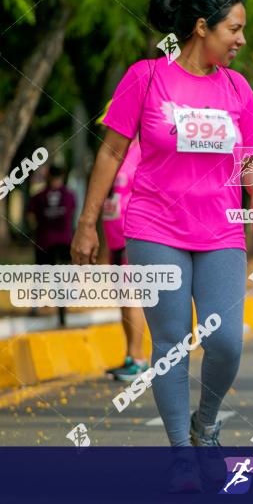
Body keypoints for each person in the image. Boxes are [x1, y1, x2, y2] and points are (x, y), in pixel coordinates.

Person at [70, 0, 253, 486]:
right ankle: (182, 454)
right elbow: (110, 153)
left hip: (222, 229)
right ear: (201, 28)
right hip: (153, 227)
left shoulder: (237, 88)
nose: (242, 41)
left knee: (227, 341)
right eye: (235, 29)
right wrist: (87, 222)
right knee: (170, 342)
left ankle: (205, 423)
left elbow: (251, 155)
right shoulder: (146, 78)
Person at [99, 123, 150, 382]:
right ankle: (130, 356)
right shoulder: (114, 152)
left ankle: (139, 358)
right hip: (114, 238)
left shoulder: (141, 150)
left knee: (132, 297)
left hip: (133, 235)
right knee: (122, 298)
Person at [27, 166, 76, 326]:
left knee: (41, 275)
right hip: (63, 241)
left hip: (45, 241)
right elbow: (73, 213)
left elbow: (30, 217)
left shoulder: (39, 196)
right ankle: (62, 306)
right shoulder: (69, 195)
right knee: (62, 276)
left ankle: (35, 306)